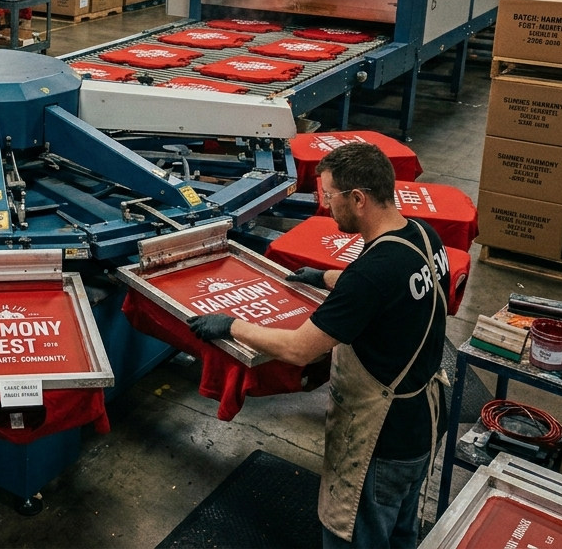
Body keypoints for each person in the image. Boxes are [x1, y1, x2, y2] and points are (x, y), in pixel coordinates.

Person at [187, 142, 449, 549]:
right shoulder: (422, 236)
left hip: (381, 440)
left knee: (357, 538)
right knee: (401, 534)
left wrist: (231, 325)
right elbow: (386, 290)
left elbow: (299, 349)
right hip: (423, 423)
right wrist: (323, 277)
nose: (325, 205)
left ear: (358, 198)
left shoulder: (370, 275)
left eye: (329, 195)